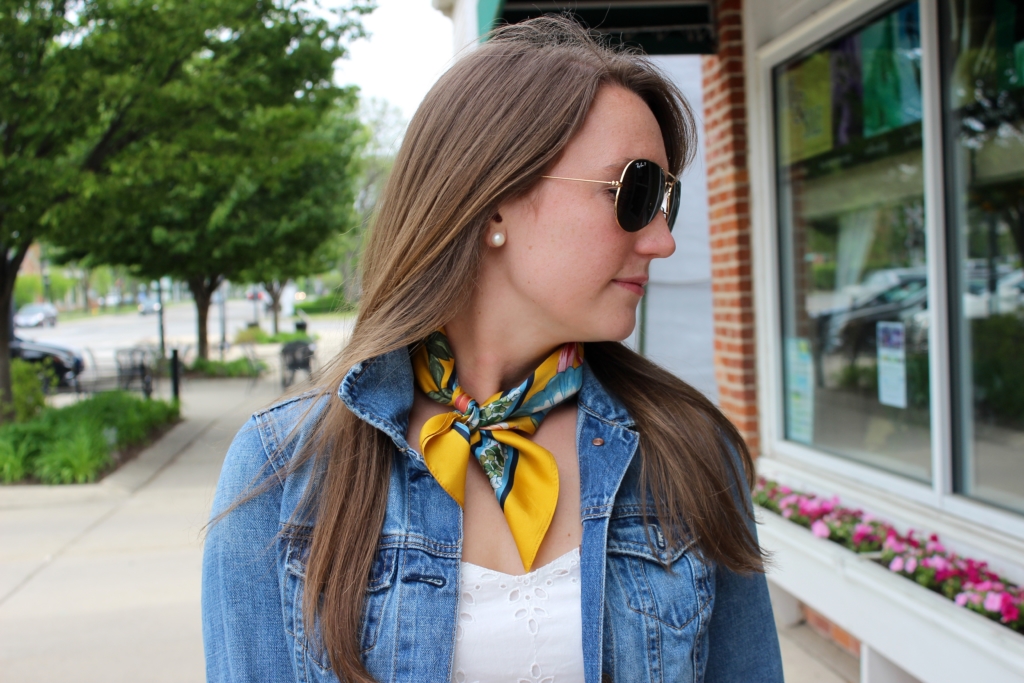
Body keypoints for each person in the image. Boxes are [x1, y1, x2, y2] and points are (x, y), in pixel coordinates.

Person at [202, 16, 783, 683]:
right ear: (496, 201)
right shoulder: (282, 471)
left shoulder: (688, 451)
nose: (661, 240)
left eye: (666, 203)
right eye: (636, 192)